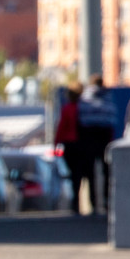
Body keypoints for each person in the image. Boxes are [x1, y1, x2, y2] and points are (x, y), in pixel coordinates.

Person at [54, 80, 85, 213]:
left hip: (70, 145)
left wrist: (56, 144)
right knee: (80, 174)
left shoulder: (67, 109)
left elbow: (62, 128)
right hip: (81, 144)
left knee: (73, 175)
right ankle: (80, 202)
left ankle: (75, 202)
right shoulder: (83, 108)